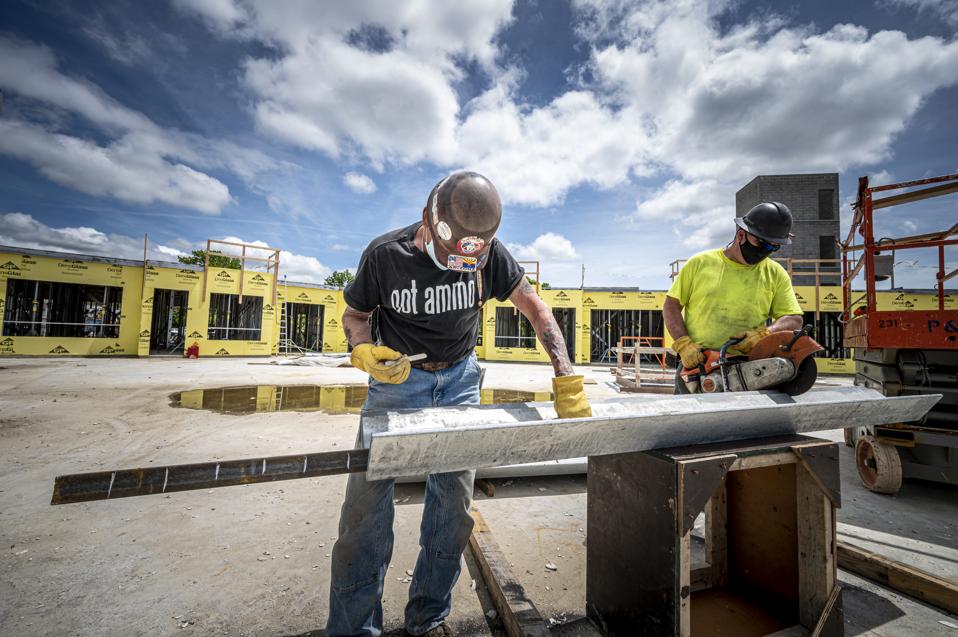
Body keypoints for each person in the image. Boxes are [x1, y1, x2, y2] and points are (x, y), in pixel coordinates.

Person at [326, 171, 592, 637]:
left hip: (461, 382)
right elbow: (355, 315)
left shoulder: (489, 254)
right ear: (428, 221)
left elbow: (535, 308)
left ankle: (428, 620)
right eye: (450, 257)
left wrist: (566, 377)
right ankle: (353, 630)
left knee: (452, 509)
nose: (459, 266)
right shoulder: (385, 255)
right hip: (397, 385)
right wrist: (362, 351)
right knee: (365, 516)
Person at [663, 202, 804, 394]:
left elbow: (794, 319)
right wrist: (683, 343)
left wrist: (765, 334)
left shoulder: (775, 273)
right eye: (762, 243)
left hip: (748, 372)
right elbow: (671, 306)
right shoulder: (700, 263)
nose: (766, 251)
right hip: (698, 365)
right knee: (689, 422)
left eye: (774, 247)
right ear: (740, 235)